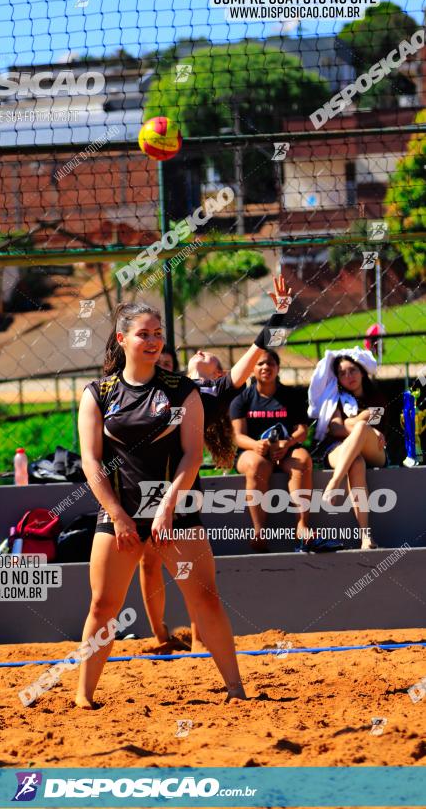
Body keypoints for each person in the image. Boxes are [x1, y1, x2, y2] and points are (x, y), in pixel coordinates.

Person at [76, 301, 245, 708]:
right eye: (143, 334)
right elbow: (91, 461)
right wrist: (116, 515)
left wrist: (169, 504)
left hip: (175, 512)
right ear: (122, 340)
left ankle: (236, 689)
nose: (152, 341)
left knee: (205, 598)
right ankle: (83, 696)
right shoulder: (98, 393)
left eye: (157, 334)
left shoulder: (181, 390)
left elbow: (192, 455)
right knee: (103, 605)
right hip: (120, 513)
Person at [140, 276, 295, 647]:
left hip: (182, 482)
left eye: (210, 356)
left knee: (190, 569)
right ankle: (161, 635)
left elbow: (257, 351)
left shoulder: (219, 391)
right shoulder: (167, 384)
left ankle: (198, 636)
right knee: (148, 562)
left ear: (220, 373)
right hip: (147, 479)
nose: (201, 352)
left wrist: (280, 315)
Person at [230, 349, 313, 553]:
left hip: (286, 450)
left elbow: (302, 430)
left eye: (270, 364)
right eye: (260, 364)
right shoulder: (242, 398)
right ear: (252, 369)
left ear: (277, 368)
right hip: (253, 452)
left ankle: (302, 525)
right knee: (257, 465)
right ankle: (259, 532)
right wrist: (255, 445)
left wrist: (288, 443)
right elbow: (237, 436)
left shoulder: (291, 396)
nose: (265, 367)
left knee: (302, 460)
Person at [308, 348, 387, 550]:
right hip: (340, 449)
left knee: (360, 428)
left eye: (352, 370)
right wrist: (364, 422)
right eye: (342, 373)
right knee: (356, 462)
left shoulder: (376, 398)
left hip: (375, 450)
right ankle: (365, 537)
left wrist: (358, 424)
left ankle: (334, 483)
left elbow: (363, 424)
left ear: (361, 371)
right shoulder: (334, 398)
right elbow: (334, 428)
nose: (348, 376)